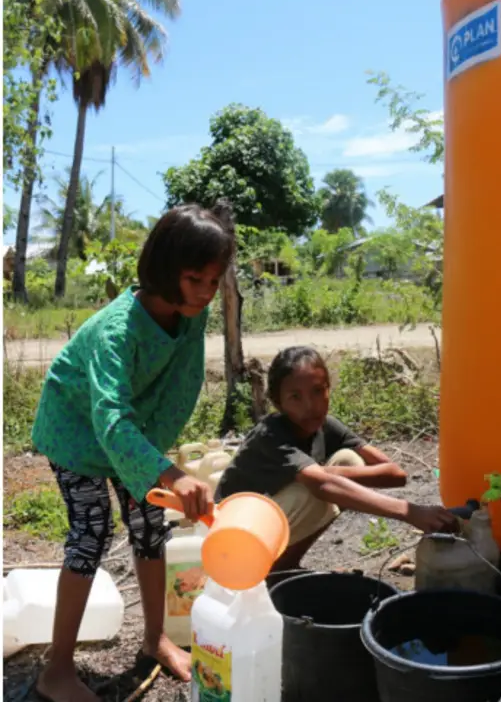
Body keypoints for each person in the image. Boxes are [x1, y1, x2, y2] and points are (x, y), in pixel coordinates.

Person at [31, 204, 232, 702]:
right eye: (195, 278)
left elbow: (182, 386)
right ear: (164, 268)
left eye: (213, 280)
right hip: (75, 429)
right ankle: (57, 670)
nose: (206, 291)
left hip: (129, 431)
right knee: (91, 532)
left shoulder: (192, 315)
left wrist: (154, 467)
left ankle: (155, 638)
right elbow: (109, 418)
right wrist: (167, 473)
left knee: (148, 524)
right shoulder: (116, 331)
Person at [215, 346, 456, 570]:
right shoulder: (271, 435)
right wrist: (408, 511)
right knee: (314, 489)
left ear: (329, 389)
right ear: (278, 403)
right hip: (232, 537)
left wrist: (326, 472)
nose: (310, 405)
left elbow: (396, 474)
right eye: (295, 397)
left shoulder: (326, 426)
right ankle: (270, 571)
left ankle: (287, 564)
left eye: (318, 391)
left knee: (346, 462)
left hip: (267, 523)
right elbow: (322, 485)